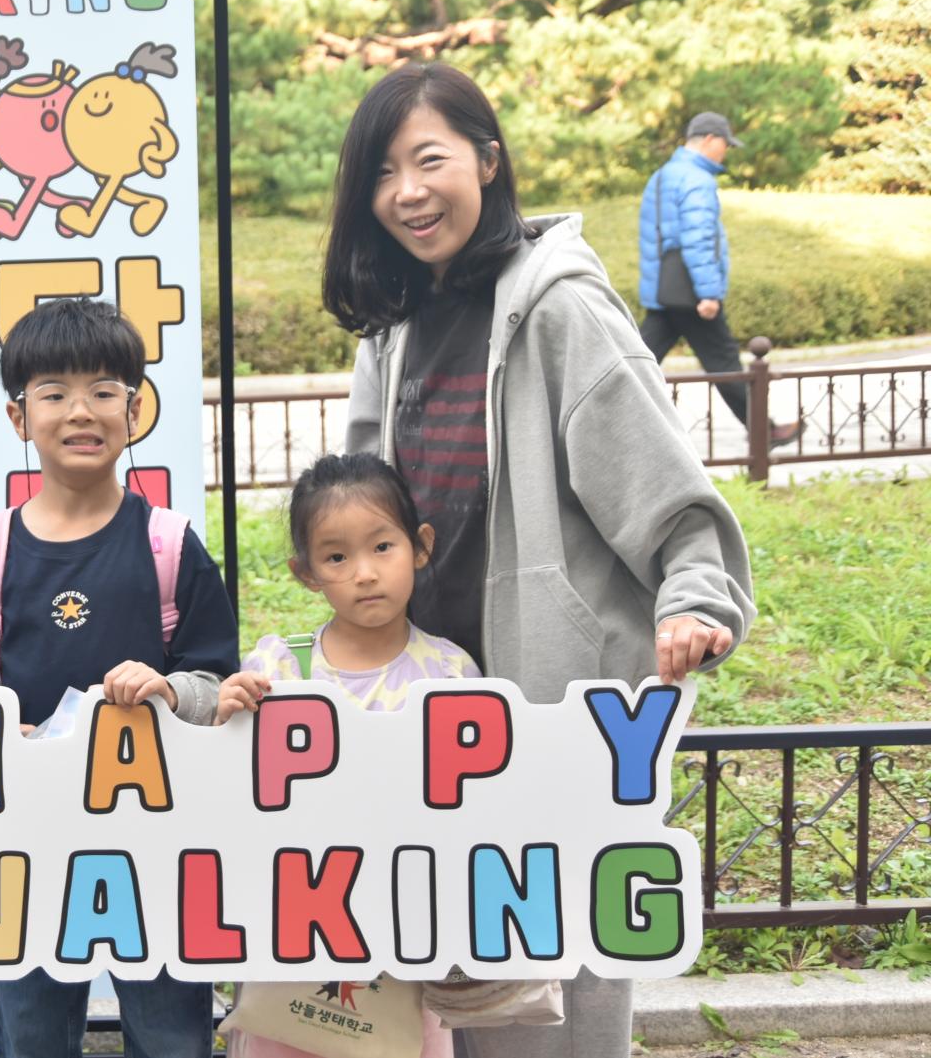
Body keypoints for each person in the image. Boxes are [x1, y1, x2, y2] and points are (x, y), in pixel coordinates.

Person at [323, 62, 755, 1058]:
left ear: (488, 159)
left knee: (553, 983)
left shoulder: (558, 306)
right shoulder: (393, 324)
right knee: (446, 979)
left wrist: (695, 597)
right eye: (383, 173)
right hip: (431, 699)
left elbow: (661, 483)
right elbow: (362, 505)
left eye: (429, 160)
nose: (407, 192)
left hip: (549, 694)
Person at [0, 296, 241, 1058]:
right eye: (54, 392)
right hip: (28, 846)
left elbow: (219, 686)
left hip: (158, 847)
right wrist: (2, 729)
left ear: (134, 409)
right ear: (18, 416)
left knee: (171, 1034)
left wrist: (169, 690)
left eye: (103, 390)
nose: (80, 411)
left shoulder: (170, 545)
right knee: (30, 1031)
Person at [215, 453, 466, 1057]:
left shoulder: (451, 672)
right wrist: (229, 715)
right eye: (336, 557)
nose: (365, 573)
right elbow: (233, 791)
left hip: (405, 932)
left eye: (382, 546)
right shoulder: (278, 667)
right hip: (293, 932)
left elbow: (469, 808)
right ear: (305, 572)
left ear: (421, 546)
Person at [636, 111, 801, 446]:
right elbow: (698, 239)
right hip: (692, 294)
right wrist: (708, 293)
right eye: (726, 144)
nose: (726, 151)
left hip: (666, 290)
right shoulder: (697, 180)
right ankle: (764, 433)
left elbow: (655, 237)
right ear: (710, 140)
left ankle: (601, 426)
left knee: (636, 365)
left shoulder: (663, 175)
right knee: (724, 362)